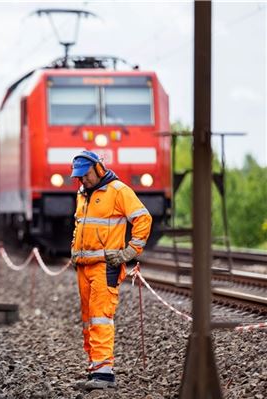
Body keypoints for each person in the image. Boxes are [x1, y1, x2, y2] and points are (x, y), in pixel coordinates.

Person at [69, 150, 152, 391]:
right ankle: (95, 368)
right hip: (84, 266)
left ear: (98, 169)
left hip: (106, 267)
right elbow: (80, 225)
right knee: (88, 320)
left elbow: (143, 218)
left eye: (84, 176)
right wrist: (74, 248)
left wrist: (130, 252)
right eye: (78, 177)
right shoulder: (83, 193)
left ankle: (104, 374)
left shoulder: (118, 191)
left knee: (100, 318)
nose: (81, 180)